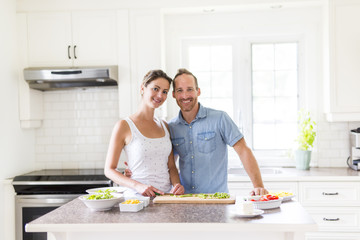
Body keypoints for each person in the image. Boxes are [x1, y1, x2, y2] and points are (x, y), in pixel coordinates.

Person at [168, 68, 268, 196]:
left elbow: (243, 150)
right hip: (185, 200)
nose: (185, 96)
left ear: (198, 91)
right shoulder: (171, 127)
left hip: (217, 200)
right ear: (173, 94)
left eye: (190, 89)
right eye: (180, 91)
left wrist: (258, 186)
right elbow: (170, 164)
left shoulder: (220, 118)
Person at [104, 70, 185, 197]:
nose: (160, 95)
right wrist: (138, 186)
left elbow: (171, 166)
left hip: (165, 198)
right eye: (155, 89)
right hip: (137, 198)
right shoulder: (124, 126)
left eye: (165, 92)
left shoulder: (165, 126)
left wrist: (176, 185)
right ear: (143, 88)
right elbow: (109, 170)